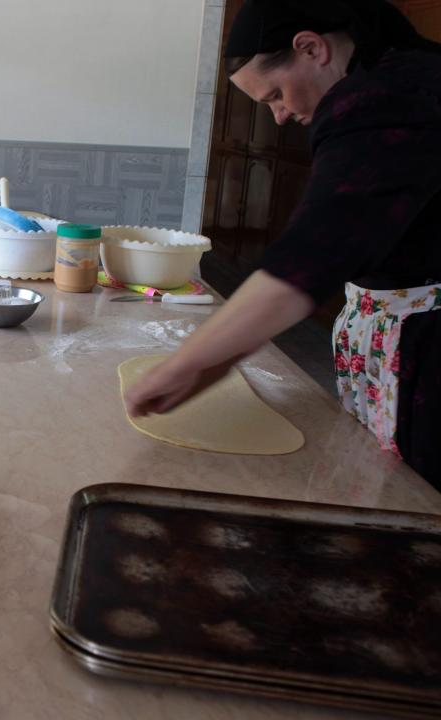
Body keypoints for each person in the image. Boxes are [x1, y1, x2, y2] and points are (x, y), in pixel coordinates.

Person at [125, 0, 441, 488]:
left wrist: (188, 362)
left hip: (429, 351)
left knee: (418, 500)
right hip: (400, 330)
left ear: (310, 48)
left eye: (275, 94)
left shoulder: (385, 95)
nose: (278, 115)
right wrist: (215, 359)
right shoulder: (407, 76)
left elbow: (312, 255)